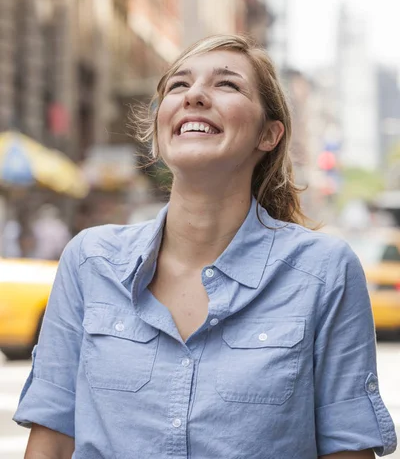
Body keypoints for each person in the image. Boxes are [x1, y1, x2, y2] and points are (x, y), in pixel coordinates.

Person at [14, 34, 397, 458]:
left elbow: (347, 450)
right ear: (160, 133)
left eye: (227, 85)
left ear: (268, 135)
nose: (194, 94)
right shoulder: (89, 260)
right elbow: (49, 442)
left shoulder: (325, 271)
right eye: (178, 85)